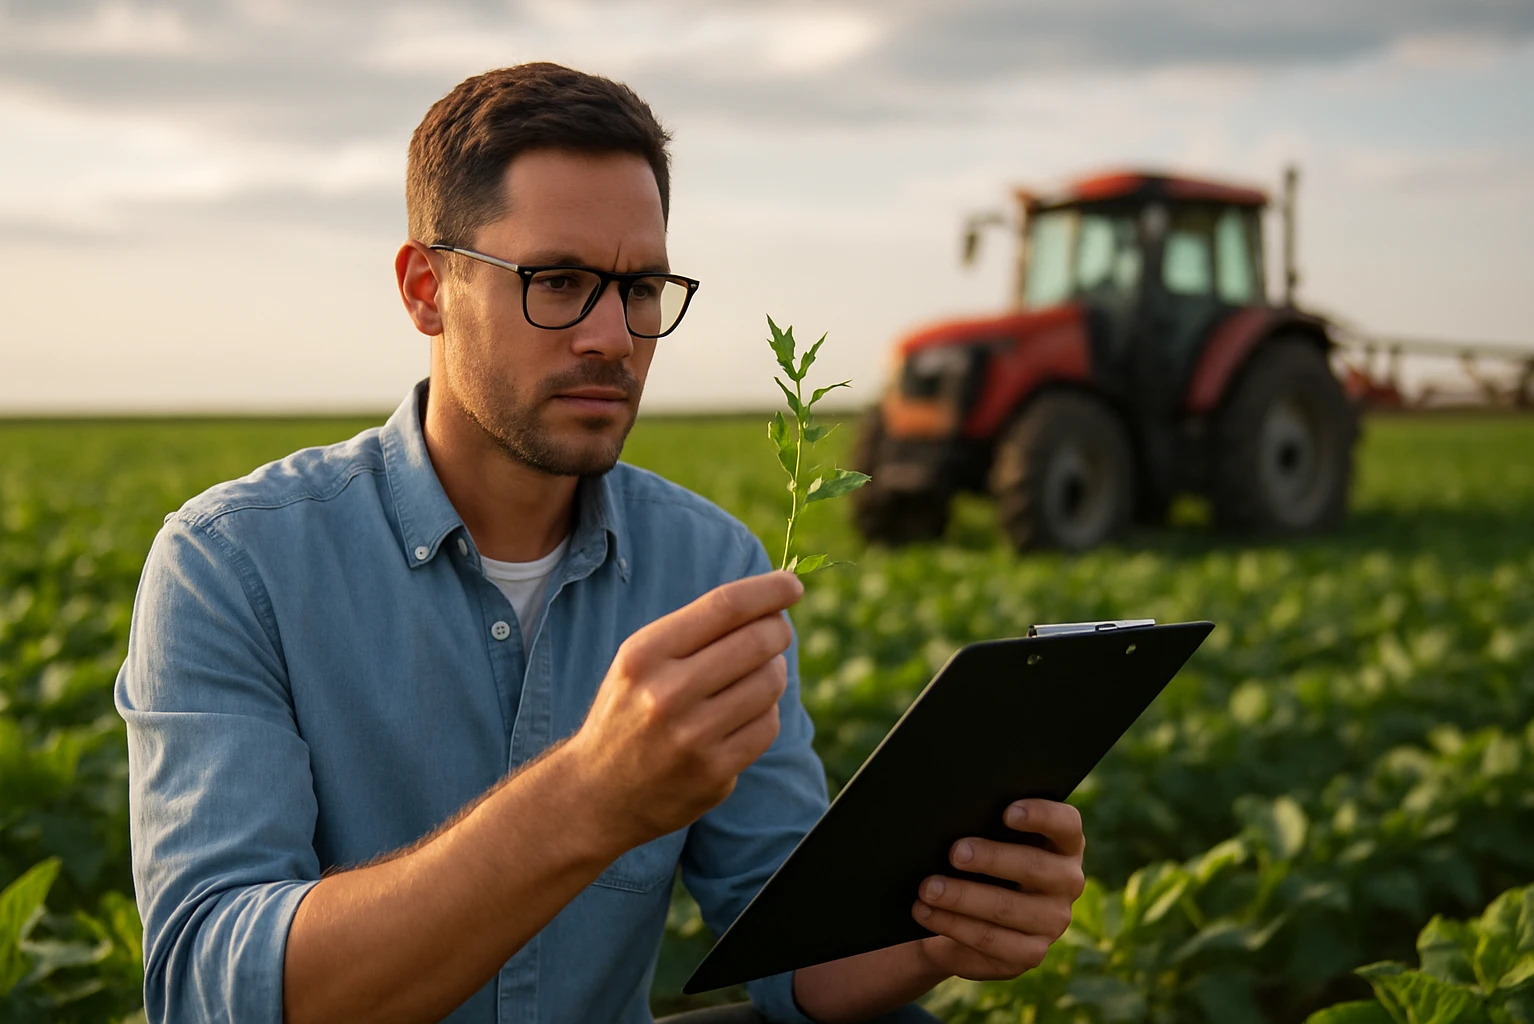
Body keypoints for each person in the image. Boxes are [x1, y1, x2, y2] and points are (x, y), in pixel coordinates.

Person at [115, 63, 1086, 1024]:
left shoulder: (710, 567)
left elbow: (796, 956)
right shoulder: (232, 566)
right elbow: (213, 990)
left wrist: (948, 929)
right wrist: (588, 799)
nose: (614, 336)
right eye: (562, 281)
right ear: (426, 289)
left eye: (642, 287)